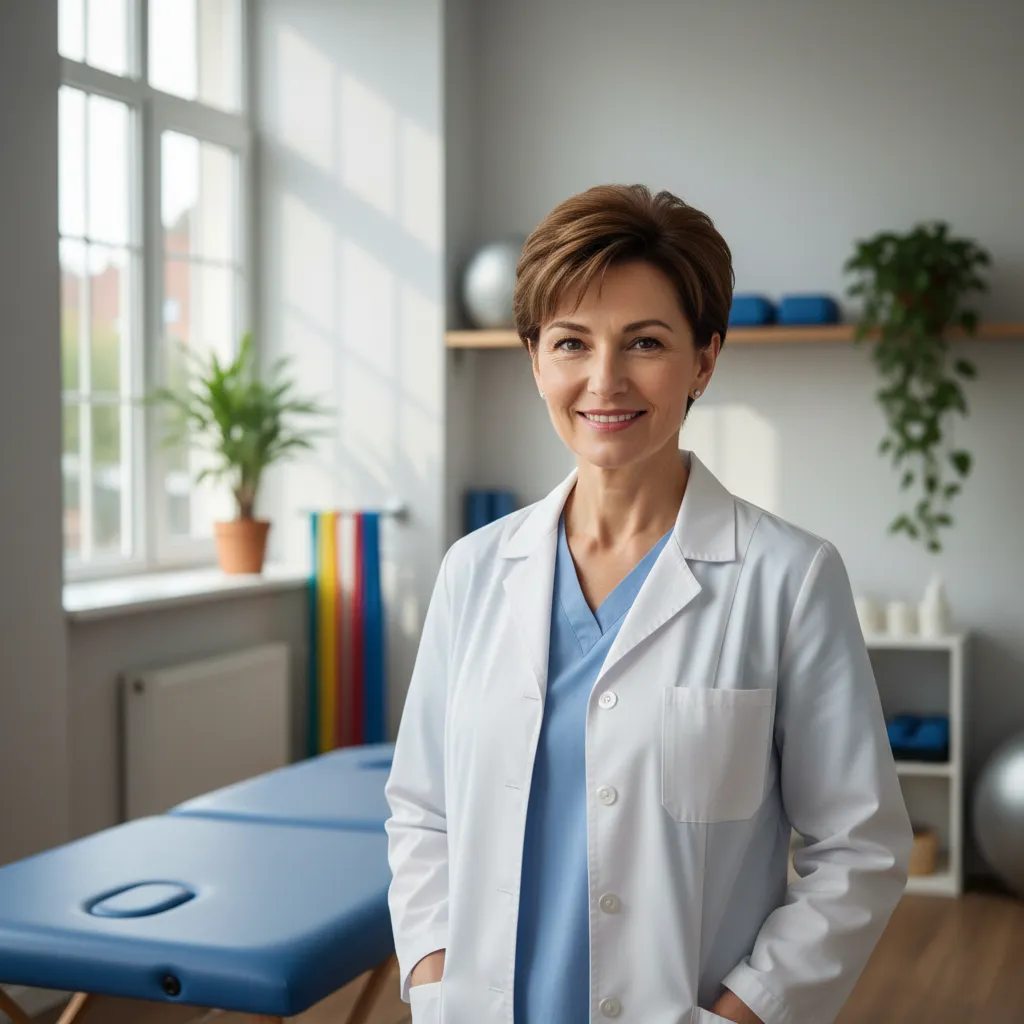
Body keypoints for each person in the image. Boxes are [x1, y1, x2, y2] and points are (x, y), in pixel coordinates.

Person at [385, 184, 913, 1024]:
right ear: (534, 360)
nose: (604, 380)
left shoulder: (788, 579)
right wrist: (435, 972)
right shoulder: (475, 571)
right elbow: (420, 809)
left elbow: (861, 848)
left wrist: (747, 1013)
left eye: (645, 342)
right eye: (570, 342)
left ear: (704, 359)